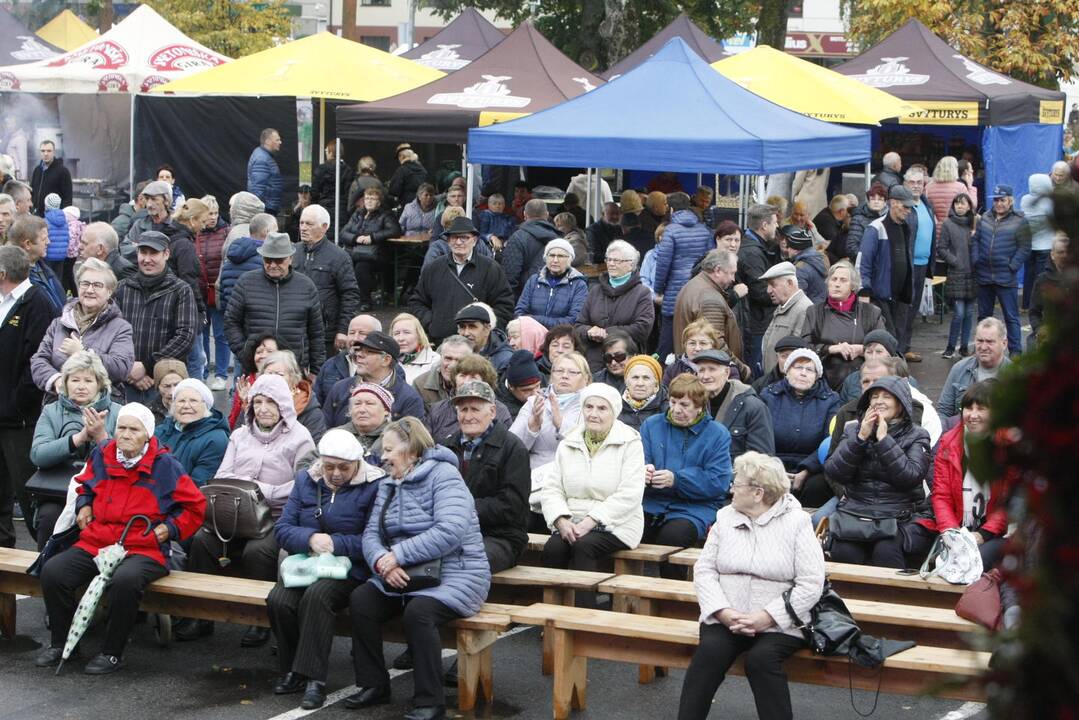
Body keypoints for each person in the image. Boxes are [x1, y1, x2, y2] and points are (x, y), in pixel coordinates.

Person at [36, 403, 205, 674]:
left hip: (144, 546)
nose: (125, 434)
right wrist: (84, 505)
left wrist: (170, 529)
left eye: (133, 429)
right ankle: (62, 644)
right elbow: (85, 485)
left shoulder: (165, 465)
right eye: (121, 428)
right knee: (54, 571)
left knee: (125, 581)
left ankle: (112, 652)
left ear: (147, 435)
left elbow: (195, 507)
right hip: (98, 540)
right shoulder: (103, 453)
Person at [348, 418, 491, 719]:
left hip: (456, 572)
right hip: (404, 572)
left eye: (389, 449)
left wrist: (398, 555)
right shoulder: (388, 482)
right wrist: (382, 565)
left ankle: (430, 701)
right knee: (361, 601)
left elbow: (449, 531)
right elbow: (371, 534)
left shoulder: (445, 476)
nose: (382, 456)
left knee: (418, 612)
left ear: (411, 450)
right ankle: (374, 684)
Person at [677, 452, 825, 720]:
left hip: (780, 622)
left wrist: (766, 617)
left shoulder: (798, 522)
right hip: (727, 617)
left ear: (758, 493)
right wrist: (722, 611)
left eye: (737, 483)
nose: (730, 487)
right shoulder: (724, 517)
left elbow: (811, 583)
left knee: (762, 661)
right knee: (709, 654)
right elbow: (705, 570)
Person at [181, 374, 316, 645]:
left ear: (283, 406)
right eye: (258, 402)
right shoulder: (239, 435)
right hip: (234, 513)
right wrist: (245, 491)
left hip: (275, 516)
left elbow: (302, 485)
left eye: (270, 402)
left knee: (259, 550)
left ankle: (261, 618)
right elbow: (223, 474)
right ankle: (200, 614)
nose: (263, 408)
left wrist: (260, 490)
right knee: (200, 541)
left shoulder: (301, 438)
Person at [268, 429, 382, 710]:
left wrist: (335, 543)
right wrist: (309, 539)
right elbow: (282, 529)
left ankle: (313, 678)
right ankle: (293, 669)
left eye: (344, 467)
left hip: (352, 569)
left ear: (357, 462)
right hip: (308, 563)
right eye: (329, 466)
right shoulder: (306, 479)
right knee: (278, 600)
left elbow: (375, 537)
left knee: (318, 596)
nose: (335, 473)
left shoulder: (375, 484)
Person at [539, 382, 645, 604]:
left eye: (602, 408)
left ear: (613, 412)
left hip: (618, 522)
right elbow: (552, 488)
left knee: (583, 546)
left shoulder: (630, 442)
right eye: (589, 407)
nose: (593, 414)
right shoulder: (568, 442)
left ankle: (583, 619)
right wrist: (560, 519)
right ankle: (552, 614)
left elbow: (630, 494)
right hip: (572, 520)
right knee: (553, 548)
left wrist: (591, 521)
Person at [825, 377, 934, 569]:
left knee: (886, 551)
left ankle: (893, 598)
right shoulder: (853, 430)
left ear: (900, 404)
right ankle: (845, 600)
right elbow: (835, 472)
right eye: (874, 397)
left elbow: (911, 476)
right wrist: (860, 438)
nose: (879, 401)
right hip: (856, 512)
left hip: (900, 514)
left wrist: (884, 440)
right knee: (844, 550)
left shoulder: (917, 435)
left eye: (887, 397)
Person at [640, 374, 732, 578]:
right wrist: (643, 472)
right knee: (627, 529)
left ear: (699, 406)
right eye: (673, 402)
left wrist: (677, 480)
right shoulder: (652, 425)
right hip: (652, 502)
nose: (676, 410)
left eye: (684, 404)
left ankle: (672, 598)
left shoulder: (717, 434)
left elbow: (719, 481)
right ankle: (627, 595)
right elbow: (638, 461)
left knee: (671, 537)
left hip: (695, 507)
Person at [29, 351, 123, 546]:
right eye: (75, 380)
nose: (81, 386)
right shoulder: (51, 411)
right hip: (57, 491)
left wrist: (101, 437)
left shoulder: (118, 411)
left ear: (99, 383)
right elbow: (38, 455)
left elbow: (127, 460)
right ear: (65, 383)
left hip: (105, 493)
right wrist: (77, 439)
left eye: (88, 380)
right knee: (48, 517)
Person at [442, 380, 530, 573]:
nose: (468, 416)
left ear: (492, 412)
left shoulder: (513, 448)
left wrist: (463, 509)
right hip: (451, 531)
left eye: (475, 409)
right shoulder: (446, 446)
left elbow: (512, 506)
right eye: (463, 409)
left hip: (500, 536)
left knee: (464, 562)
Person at [918, 380, 1007, 570]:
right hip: (957, 526)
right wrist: (952, 533)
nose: (973, 415)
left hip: (996, 532)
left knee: (973, 562)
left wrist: (982, 534)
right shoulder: (949, 442)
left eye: (981, 409)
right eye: (968, 408)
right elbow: (941, 496)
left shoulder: (1009, 446)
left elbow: (1009, 503)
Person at [111, 232, 197, 405]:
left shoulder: (181, 290)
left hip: (164, 383)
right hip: (125, 381)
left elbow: (185, 336)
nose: (147, 259)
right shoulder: (122, 288)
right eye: (143, 253)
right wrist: (128, 369)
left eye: (154, 253)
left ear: (166, 254)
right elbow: (111, 331)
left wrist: (148, 367)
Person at [32, 258, 133, 400]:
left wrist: (83, 353)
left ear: (109, 291)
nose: (90, 290)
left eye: (97, 285)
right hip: (59, 405)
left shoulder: (121, 328)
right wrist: (57, 380)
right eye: (85, 284)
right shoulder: (58, 323)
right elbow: (39, 360)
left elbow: (121, 368)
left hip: (101, 408)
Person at [225, 231, 325, 374]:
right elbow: (231, 323)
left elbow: (316, 332)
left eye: (278, 260)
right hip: (254, 367)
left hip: (293, 369)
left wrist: (316, 370)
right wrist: (246, 352)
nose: (272, 265)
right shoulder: (246, 282)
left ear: (290, 259)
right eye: (267, 259)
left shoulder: (306, 286)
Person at [409, 216, 514, 345]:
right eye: (454, 237)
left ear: (474, 241)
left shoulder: (490, 268)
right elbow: (417, 302)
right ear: (448, 241)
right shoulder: (433, 268)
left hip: (476, 347)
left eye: (464, 237)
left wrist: (483, 331)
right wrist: (432, 323)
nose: (459, 242)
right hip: (440, 344)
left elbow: (504, 306)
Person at [760, 349, 839, 505]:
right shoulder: (768, 395)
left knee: (817, 487)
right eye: (798, 367)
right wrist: (774, 469)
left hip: (811, 468)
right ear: (787, 371)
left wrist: (806, 471)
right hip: (772, 464)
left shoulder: (831, 400)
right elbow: (760, 437)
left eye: (809, 369)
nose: (803, 373)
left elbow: (830, 441)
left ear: (817, 376)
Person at [800, 260, 886, 389]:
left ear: (853, 286)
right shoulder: (814, 312)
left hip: (862, 379)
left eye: (843, 280)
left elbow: (885, 347)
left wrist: (862, 349)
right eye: (833, 279)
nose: (837, 284)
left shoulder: (871, 312)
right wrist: (830, 349)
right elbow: (804, 346)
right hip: (823, 380)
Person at [291, 204, 362, 356]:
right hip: (294, 330)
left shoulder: (339, 257)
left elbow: (350, 295)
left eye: (309, 224)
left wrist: (343, 330)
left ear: (324, 227)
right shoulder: (292, 252)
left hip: (325, 333)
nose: (303, 228)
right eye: (301, 223)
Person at [574, 240, 654, 371]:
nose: (611, 264)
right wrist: (589, 332)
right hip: (594, 360)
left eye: (617, 261)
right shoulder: (595, 290)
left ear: (631, 265)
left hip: (624, 361)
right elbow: (578, 326)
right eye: (609, 259)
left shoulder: (642, 293)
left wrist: (605, 333)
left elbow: (642, 329)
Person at [971, 185, 1031, 357]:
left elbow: (1025, 247)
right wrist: (976, 259)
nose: (998, 203)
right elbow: (975, 240)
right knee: (983, 317)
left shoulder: (1020, 221)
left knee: (1011, 316)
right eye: (996, 200)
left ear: (1010, 201)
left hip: (1006, 276)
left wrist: (1012, 265)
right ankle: (981, 350)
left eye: (1002, 200)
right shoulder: (985, 218)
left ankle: (1016, 352)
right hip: (984, 275)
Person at [652, 192, 713, 358]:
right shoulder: (704, 230)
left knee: (667, 340)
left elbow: (663, 263)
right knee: (696, 336)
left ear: (671, 209)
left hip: (674, 292)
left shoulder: (671, 231)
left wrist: (658, 289)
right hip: (699, 291)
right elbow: (709, 261)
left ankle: (664, 374)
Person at [322, 331, 426, 428]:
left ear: (386, 360)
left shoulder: (409, 398)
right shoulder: (340, 388)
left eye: (368, 352)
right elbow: (324, 428)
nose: (359, 355)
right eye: (359, 350)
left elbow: (412, 441)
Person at [510, 351, 590, 474]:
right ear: (551, 376)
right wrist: (532, 428)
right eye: (559, 371)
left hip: (577, 474)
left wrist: (562, 425)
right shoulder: (534, 402)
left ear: (586, 378)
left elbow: (594, 446)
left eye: (572, 372)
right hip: (537, 477)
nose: (564, 376)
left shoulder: (593, 404)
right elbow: (510, 449)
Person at [858, 184, 916, 341]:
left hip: (900, 296)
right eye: (906, 206)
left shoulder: (905, 227)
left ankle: (897, 363)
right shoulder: (876, 228)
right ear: (893, 203)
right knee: (886, 339)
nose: (908, 210)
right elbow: (863, 262)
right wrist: (864, 291)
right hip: (881, 296)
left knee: (897, 337)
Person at [694, 349, 774, 459]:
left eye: (712, 369)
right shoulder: (692, 405)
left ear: (727, 373)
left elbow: (762, 458)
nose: (705, 376)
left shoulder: (753, 407)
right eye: (701, 370)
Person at [153, 378, 229, 487]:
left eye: (193, 401)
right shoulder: (160, 432)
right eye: (181, 401)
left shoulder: (215, 440)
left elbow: (198, 484)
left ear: (206, 405)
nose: (186, 406)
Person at [425, 354, 513, 441]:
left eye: (473, 377)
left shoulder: (500, 411)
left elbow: (505, 444)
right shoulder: (438, 410)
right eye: (462, 376)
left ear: (485, 382)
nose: (466, 382)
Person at [673, 249, 743, 358]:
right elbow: (716, 343)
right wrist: (741, 369)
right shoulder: (710, 299)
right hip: (707, 369)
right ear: (718, 270)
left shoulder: (694, 285)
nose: (733, 279)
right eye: (732, 273)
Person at [897, 168, 937, 362]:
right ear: (905, 184)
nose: (915, 185)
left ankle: (905, 347)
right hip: (907, 265)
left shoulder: (926, 204)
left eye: (919, 182)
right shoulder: (904, 206)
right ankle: (898, 350)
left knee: (912, 309)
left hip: (922, 264)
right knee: (903, 308)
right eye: (912, 182)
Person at [340, 187, 401, 309]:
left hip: (377, 254)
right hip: (355, 251)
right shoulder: (358, 213)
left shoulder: (386, 214)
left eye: (373, 199)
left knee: (361, 267)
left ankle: (365, 301)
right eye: (367, 198)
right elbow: (343, 233)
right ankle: (345, 298)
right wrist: (355, 238)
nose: (369, 201)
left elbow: (395, 230)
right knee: (341, 264)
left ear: (379, 202)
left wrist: (372, 237)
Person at [738, 203, 781, 376]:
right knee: (756, 371)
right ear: (764, 225)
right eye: (775, 222)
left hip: (756, 320)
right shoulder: (752, 253)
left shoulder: (758, 248)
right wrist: (780, 294)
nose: (777, 226)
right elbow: (760, 291)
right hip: (756, 322)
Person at [938, 317, 1010, 418]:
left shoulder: (1017, 376)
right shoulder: (959, 369)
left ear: (1004, 344)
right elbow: (944, 411)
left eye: (990, 342)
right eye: (980, 341)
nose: (983, 347)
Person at [194, 196, 231, 389]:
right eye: (209, 213)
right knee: (201, 333)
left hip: (218, 290)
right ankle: (204, 372)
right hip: (200, 290)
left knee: (221, 334)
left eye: (216, 213)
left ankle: (222, 374)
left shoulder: (227, 232)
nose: (213, 217)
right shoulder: (196, 234)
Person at [514, 238, 588, 329]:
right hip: (532, 333)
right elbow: (519, 312)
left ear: (569, 259)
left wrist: (534, 319)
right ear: (546, 258)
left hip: (562, 336)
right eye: (552, 255)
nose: (555, 260)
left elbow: (573, 320)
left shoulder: (579, 285)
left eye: (560, 256)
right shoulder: (534, 280)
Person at [939, 193, 978, 359]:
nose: (960, 206)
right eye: (957, 204)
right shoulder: (948, 224)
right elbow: (941, 248)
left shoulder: (975, 223)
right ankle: (950, 346)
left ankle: (963, 347)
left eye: (963, 204)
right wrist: (954, 261)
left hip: (973, 273)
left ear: (969, 206)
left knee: (969, 313)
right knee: (959, 313)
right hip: (956, 273)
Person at [260, 350, 329, 444]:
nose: (273, 378)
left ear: (293, 378)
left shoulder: (311, 412)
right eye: (269, 374)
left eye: (279, 374)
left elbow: (315, 451)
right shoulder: (255, 403)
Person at [760, 262, 814, 376]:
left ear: (790, 283)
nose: (768, 290)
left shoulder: (804, 309)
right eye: (768, 285)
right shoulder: (783, 306)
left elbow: (797, 354)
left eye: (773, 285)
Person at [218, 212, 276, 312]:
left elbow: (222, 293)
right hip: (257, 320)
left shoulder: (229, 259)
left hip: (231, 318)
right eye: (276, 231)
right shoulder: (267, 260)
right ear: (266, 231)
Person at [502, 198, 560, 295]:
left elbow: (510, 275)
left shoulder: (517, 238)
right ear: (547, 214)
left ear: (524, 214)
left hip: (525, 297)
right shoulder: (559, 240)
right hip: (553, 297)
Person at [9, 215, 65, 313]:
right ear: (27, 244)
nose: (49, 242)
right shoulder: (15, 279)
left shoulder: (43, 268)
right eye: (44, 239)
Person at [1019, 173, 1054, 312]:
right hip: (1046, 246)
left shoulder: (1024, 200)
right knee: (1041, 278)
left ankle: (1025, 305)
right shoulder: (1049, 202)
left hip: (1029, 245)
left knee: (1028, 276)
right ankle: (1038, 307)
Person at [412, 335, 474, 412]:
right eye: (448, 358)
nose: (452, 366)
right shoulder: (420, 385)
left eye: (459, 360)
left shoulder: (480, 381)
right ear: (440, 358)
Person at [337, 382, 393, 461]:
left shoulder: (396, 438)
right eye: (357, 404)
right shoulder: (336, 435)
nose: (362, 409)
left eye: (369, 403)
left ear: (386, 410)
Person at [1029, 233, 1067, 348]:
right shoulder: (1042, 280)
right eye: (1061, 252)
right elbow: (1034, 312)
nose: (1065, 256)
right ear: (1052, 255)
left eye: (1068, 252)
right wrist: (1040, 329)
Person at [452, 303, 513, 374]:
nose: (466, 333)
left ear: (487, 329)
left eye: (472, 327)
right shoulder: (452, 354)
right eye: (462, 327)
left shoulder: (505, 361)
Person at [926, 156, 977, 240]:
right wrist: (970, 187)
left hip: (934, 231)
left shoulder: (928, 187)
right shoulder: (960, 187)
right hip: (955, 230)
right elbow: (972, 205)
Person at [310, 140, 355, 228]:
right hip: (342, 209)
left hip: (324, 208)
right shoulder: (348, 170)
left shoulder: (322, 169)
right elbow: (349, 192)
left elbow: (314, 191)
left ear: (331, 152)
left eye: (326, 151)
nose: (326, 153)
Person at [617, 354, 667, 430]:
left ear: (656, 384)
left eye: (646, 378)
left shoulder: (668, 410)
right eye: (635, 377)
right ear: (626, 382)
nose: (640, 383)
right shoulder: (615, 407)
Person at [389, 312, 441, 385]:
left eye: (407, 332)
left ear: (419, 335)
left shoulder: (435, 361)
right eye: (397, 333)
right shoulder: (386, 361)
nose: (401, 338)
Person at [780, 224, 827, 303]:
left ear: (795, 250)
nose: (787, 250)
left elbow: (797, 300)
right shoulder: (821, 259)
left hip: (810, 311)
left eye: (789, 247)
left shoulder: (799, 269)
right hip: (822, 307)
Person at [496, 349, 545, 419]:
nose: (535, 394)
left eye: (537, 386)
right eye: (527, 390)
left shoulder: (543, 380)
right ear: (511, 387)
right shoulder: (498, 403)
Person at [846, 183, 888, 261]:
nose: (876, 202)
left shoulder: (889, 218)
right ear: (868, 201)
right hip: (864, 263)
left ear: (885, 202)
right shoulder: (858, 218)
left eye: (880, 199)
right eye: (873, 199)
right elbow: (851, 247)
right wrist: (868, 260)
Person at [30, 140, 72, 215]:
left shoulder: (63, 171)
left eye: (49, 151)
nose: (45, 154)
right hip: (37, 215)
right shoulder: (37, 170)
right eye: (43, 151)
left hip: (54, 217)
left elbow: (67, 198)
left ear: (54, 152)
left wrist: (61, 215)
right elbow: (32, 191)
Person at [247, 128, 283, 215]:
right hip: (265, 209)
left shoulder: (264, 156)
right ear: (267, 141)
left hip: (267, 207)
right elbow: (257, 189)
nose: (280, 142)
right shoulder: (262, 159)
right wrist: (260, 212)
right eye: (277, 140)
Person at [149, 359, 187, 425]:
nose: (172, 392)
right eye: (167, 386)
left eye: (177, 385)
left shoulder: (201, 409)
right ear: (158, 387)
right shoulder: (149, 414)